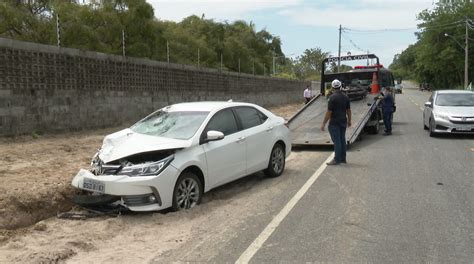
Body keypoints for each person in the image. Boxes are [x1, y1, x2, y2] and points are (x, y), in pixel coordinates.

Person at [321, 79, 352, 165]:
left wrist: (324, 123)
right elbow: (348, 110)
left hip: (334, 122)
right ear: (340, 86)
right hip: (343, 121)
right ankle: (343, 158)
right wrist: (349, 120)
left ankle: (336, 159)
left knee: (337, 141)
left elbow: (329, 112)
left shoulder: (332, 98)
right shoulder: (345, 97)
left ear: (332, 87)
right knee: (342, 139)